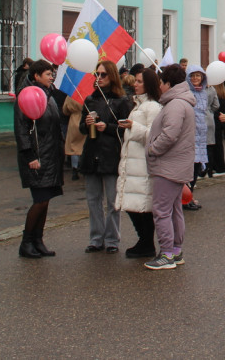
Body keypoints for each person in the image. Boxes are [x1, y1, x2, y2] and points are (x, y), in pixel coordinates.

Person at [144, 64, 196, 270]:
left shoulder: (175, 105)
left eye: (161, 82)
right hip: (176, 165)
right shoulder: (182, 103)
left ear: (168, 83)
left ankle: (166, 253)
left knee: (162, 210)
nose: (159, 86)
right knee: (174, 209)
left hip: (169, 165)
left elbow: (169, 135)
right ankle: (175, 250)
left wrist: (152, 149)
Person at [80, 60, 133, 254]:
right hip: (92, 154)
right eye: (97, 74)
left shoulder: (121, 101)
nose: (99, 78)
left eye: (103, 74)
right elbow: (80, 128)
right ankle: (96, 238)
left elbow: (126, 128)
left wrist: (108, 128)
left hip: (111, 156)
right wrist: (87, 124)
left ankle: (112, 239)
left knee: (112, 201)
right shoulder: (89, 100)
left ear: (112, 76)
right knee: (93, 200)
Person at [12, 59, 64, 258]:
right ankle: (26, 242)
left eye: (52, 74)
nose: (52, 77)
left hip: (51, 156)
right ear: (36, 76)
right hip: (36, 158)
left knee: (46, 200)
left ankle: (38, 240)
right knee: (40, 200)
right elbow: (21, 130)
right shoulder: (26, 96)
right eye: (48, 74)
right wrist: (29, 155)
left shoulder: (48, 96)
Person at [115, 68, 163, 259]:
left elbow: (154, 135)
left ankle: (146, 242)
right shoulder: (138, 105)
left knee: (142, 206)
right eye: (135, 81)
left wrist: (133, 126)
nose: (135, 84)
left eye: (139, 81)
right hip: (133, 162)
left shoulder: (152, 107)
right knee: (133, 204)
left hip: (142, 164)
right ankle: (144, 240)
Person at [185, 64, 219, 208]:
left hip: (201, 135)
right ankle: (186, 199)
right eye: (192, 76)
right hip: (189, 135)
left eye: (198, 76)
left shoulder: (205, 93)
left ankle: (189, 195)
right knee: (188, 168)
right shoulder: (186, 93)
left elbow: (212, 107)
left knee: (197, 167)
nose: (195, 78)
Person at [210, 80, 225, 174]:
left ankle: (216, 168)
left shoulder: (213, 93)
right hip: (221, 122)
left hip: (215, 121)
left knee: (213, 146)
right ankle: (220, 168)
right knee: (218, 145)